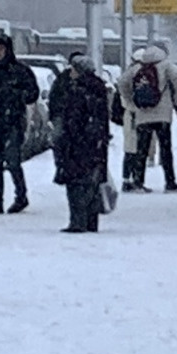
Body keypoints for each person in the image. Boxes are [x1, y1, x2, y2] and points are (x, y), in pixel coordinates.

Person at [0, 34, 41, 216]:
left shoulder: (20, 71)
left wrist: (17, 95)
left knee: (12, 161)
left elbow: (33, 93)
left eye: (1, 49)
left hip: (13, 121)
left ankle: (21, 196)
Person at [51, 50, 114, 233]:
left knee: (75, 182)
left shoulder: (75, 89)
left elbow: (70, 115)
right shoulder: (98, 87)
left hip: (76, 143)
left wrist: (65, 138)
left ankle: (77, 221)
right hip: (95, 144)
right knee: (92, 183)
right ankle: (91, 220)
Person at [120, 41, 177, 192]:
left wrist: (131, 101)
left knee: (141, 150)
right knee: (165, 149)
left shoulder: (138, 67)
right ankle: (170, 182)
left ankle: (138, 182)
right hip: (163, 115)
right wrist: (176, 100)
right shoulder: (166, 66)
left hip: (142, 115)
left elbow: (122, 82)